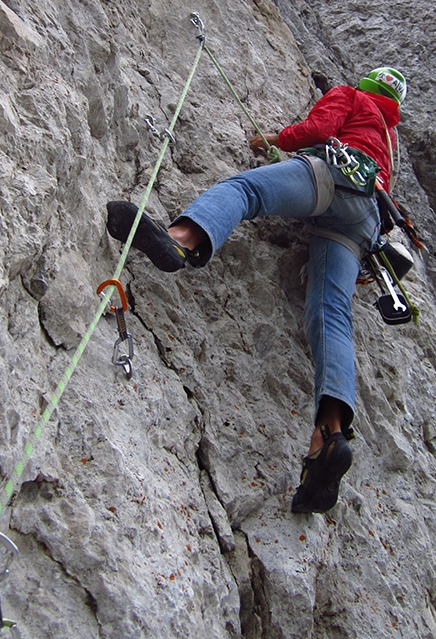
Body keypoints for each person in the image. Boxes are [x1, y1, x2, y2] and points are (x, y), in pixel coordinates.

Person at [106, 67, 406, 514]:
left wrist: (275, 140)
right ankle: (329, 435)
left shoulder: (351, 97)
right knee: (331, 315)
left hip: (332, 176)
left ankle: (181, 240)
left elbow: (319, 130)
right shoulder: (390, 140)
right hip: (364, 218)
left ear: (367, 85)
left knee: (245, 189)